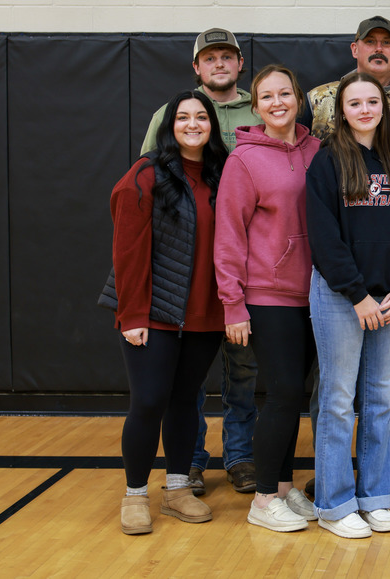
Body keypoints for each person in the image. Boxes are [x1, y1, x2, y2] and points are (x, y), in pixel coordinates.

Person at [305, 16, 390, 497]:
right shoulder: (325, 158)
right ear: (339, 109)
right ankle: (334, 496)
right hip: (344, 294)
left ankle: (377, 492)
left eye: (372, 103)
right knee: (338, 398)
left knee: (380, 397)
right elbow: (324, 237)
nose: (364, 108)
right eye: (354, 103)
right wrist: (357, 294)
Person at [141, 28, 262, 497]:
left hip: (246, 262)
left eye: (227, 56)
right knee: (185, 373)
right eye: (209, 57)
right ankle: (188, 459)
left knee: (243, 366)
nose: (219, 64)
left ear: (239, 63)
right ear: (196, 66)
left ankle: (241, 456)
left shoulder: (261, 108)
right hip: (187, 265)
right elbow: (150, 185)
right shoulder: (173, 114)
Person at [102, 91, 229, 534]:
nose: (192, 124)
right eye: (183, 118)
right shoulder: (146, 174)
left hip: (203, 314)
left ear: (212, 125)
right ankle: (135, 494)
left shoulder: (221, 174)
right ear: (169, 126)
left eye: (201, 117)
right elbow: (128, 250)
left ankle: (177, 490)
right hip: (153, 311)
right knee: (150, 400)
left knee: (184, 401)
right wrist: (132, 314)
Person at [214, 64, 320, 532]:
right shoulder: (244, 160)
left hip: (315, 294)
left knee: (294, 394)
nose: (277, 102)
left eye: (285, 93)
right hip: (267, 294)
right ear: (254, 105)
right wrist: (232, 304)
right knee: (281, 394)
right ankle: (261, 500)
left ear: (298, 98)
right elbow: (228, 237)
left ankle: (281, 487)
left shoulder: (319, 149)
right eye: (267, 96)